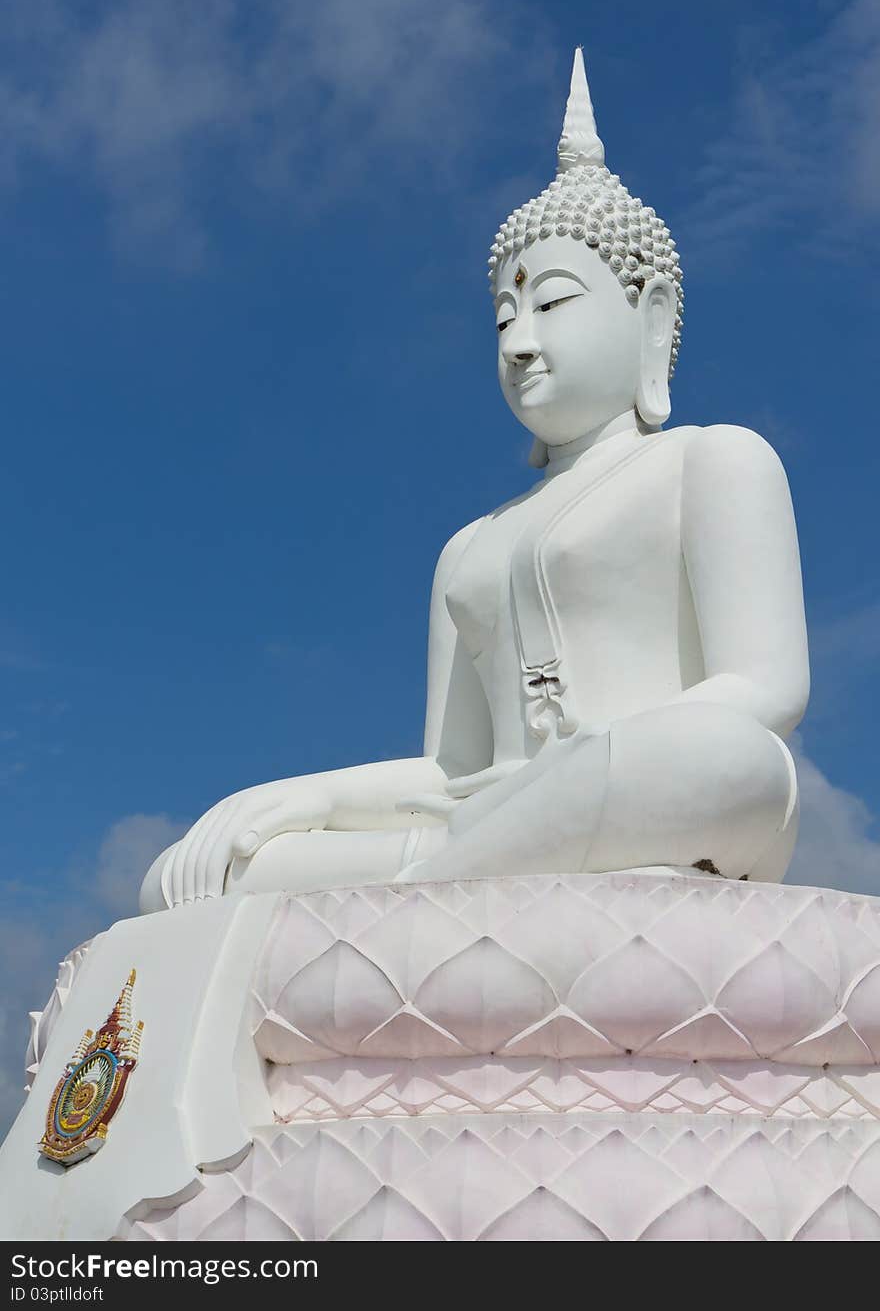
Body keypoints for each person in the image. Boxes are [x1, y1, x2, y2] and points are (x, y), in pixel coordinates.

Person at [140, 49, 808, 913]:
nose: (519, 341)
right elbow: (454, 771)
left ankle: (416, 908)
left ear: (651, 315)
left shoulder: (712, 460)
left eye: (553, 304)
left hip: (663, 801)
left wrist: (594, 757)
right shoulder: (469, 548)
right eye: (503, 315)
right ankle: (445, 896)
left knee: (736, 760)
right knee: (192, 874)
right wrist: (320, 800)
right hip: (481, 826)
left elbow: (766, 691)